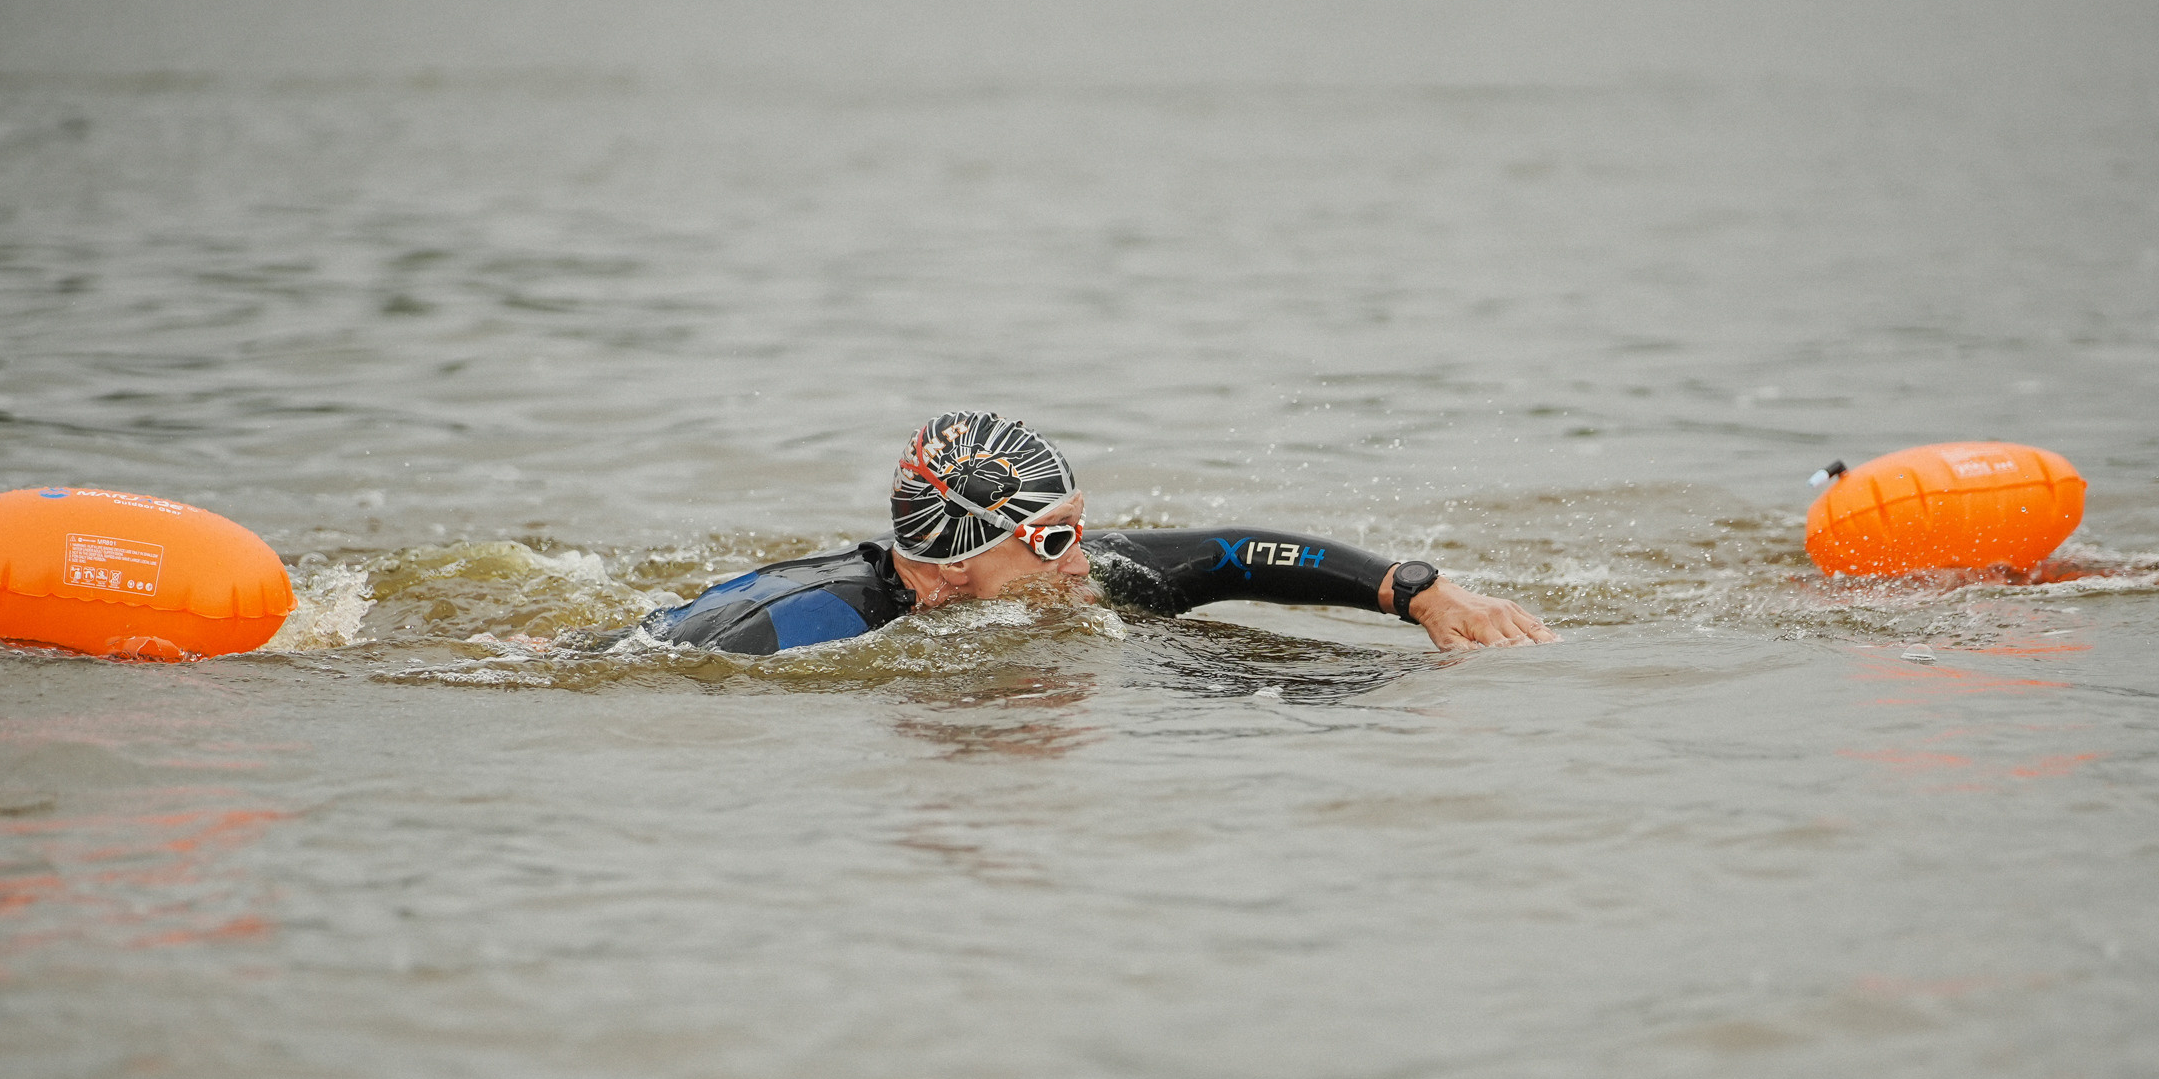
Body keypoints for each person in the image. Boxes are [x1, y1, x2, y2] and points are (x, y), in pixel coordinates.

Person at [636, 412, 1554, 655]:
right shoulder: (810, 625)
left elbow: (1232, 554)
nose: (1080, 557)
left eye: (1074, 526)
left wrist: (1417, 588)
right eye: (1045, 541)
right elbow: (648, 665)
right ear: (948, 573)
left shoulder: (1088, 574)